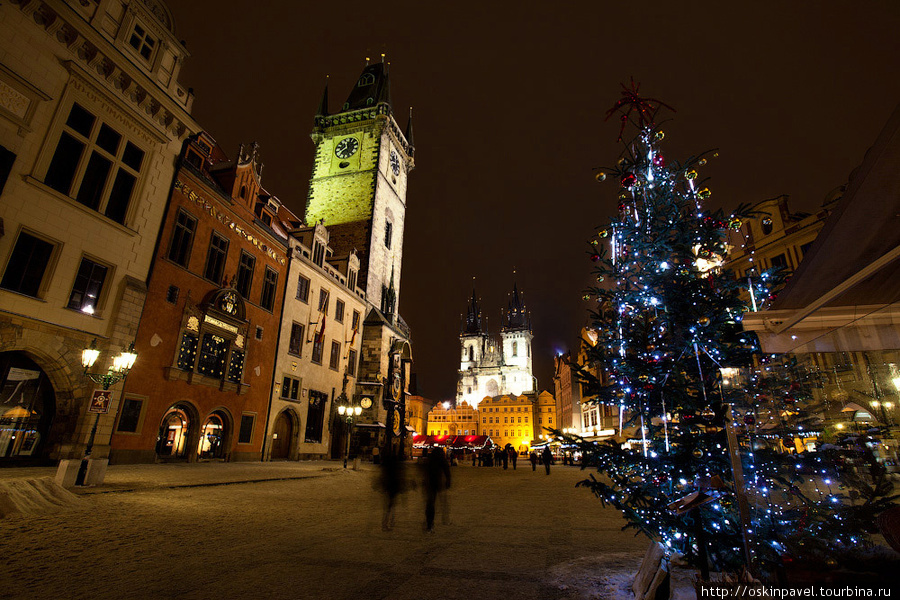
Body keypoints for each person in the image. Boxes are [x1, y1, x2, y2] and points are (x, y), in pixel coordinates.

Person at [421, 447, 451, 532]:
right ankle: (440, 519)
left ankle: (429, 523)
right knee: (437, 503)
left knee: (430, 503)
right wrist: (448, 481)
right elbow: (447, 471)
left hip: (430, 483)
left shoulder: (430, 459)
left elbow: (424, 470)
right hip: (437, 483)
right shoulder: (441, 459)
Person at [378, 452, 405, 531]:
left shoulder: (387, 467)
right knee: (391, 505)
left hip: (388, 486)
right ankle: (388, 522)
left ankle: (388, 522)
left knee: (389, 505)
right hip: (392, 487)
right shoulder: (395, 468)